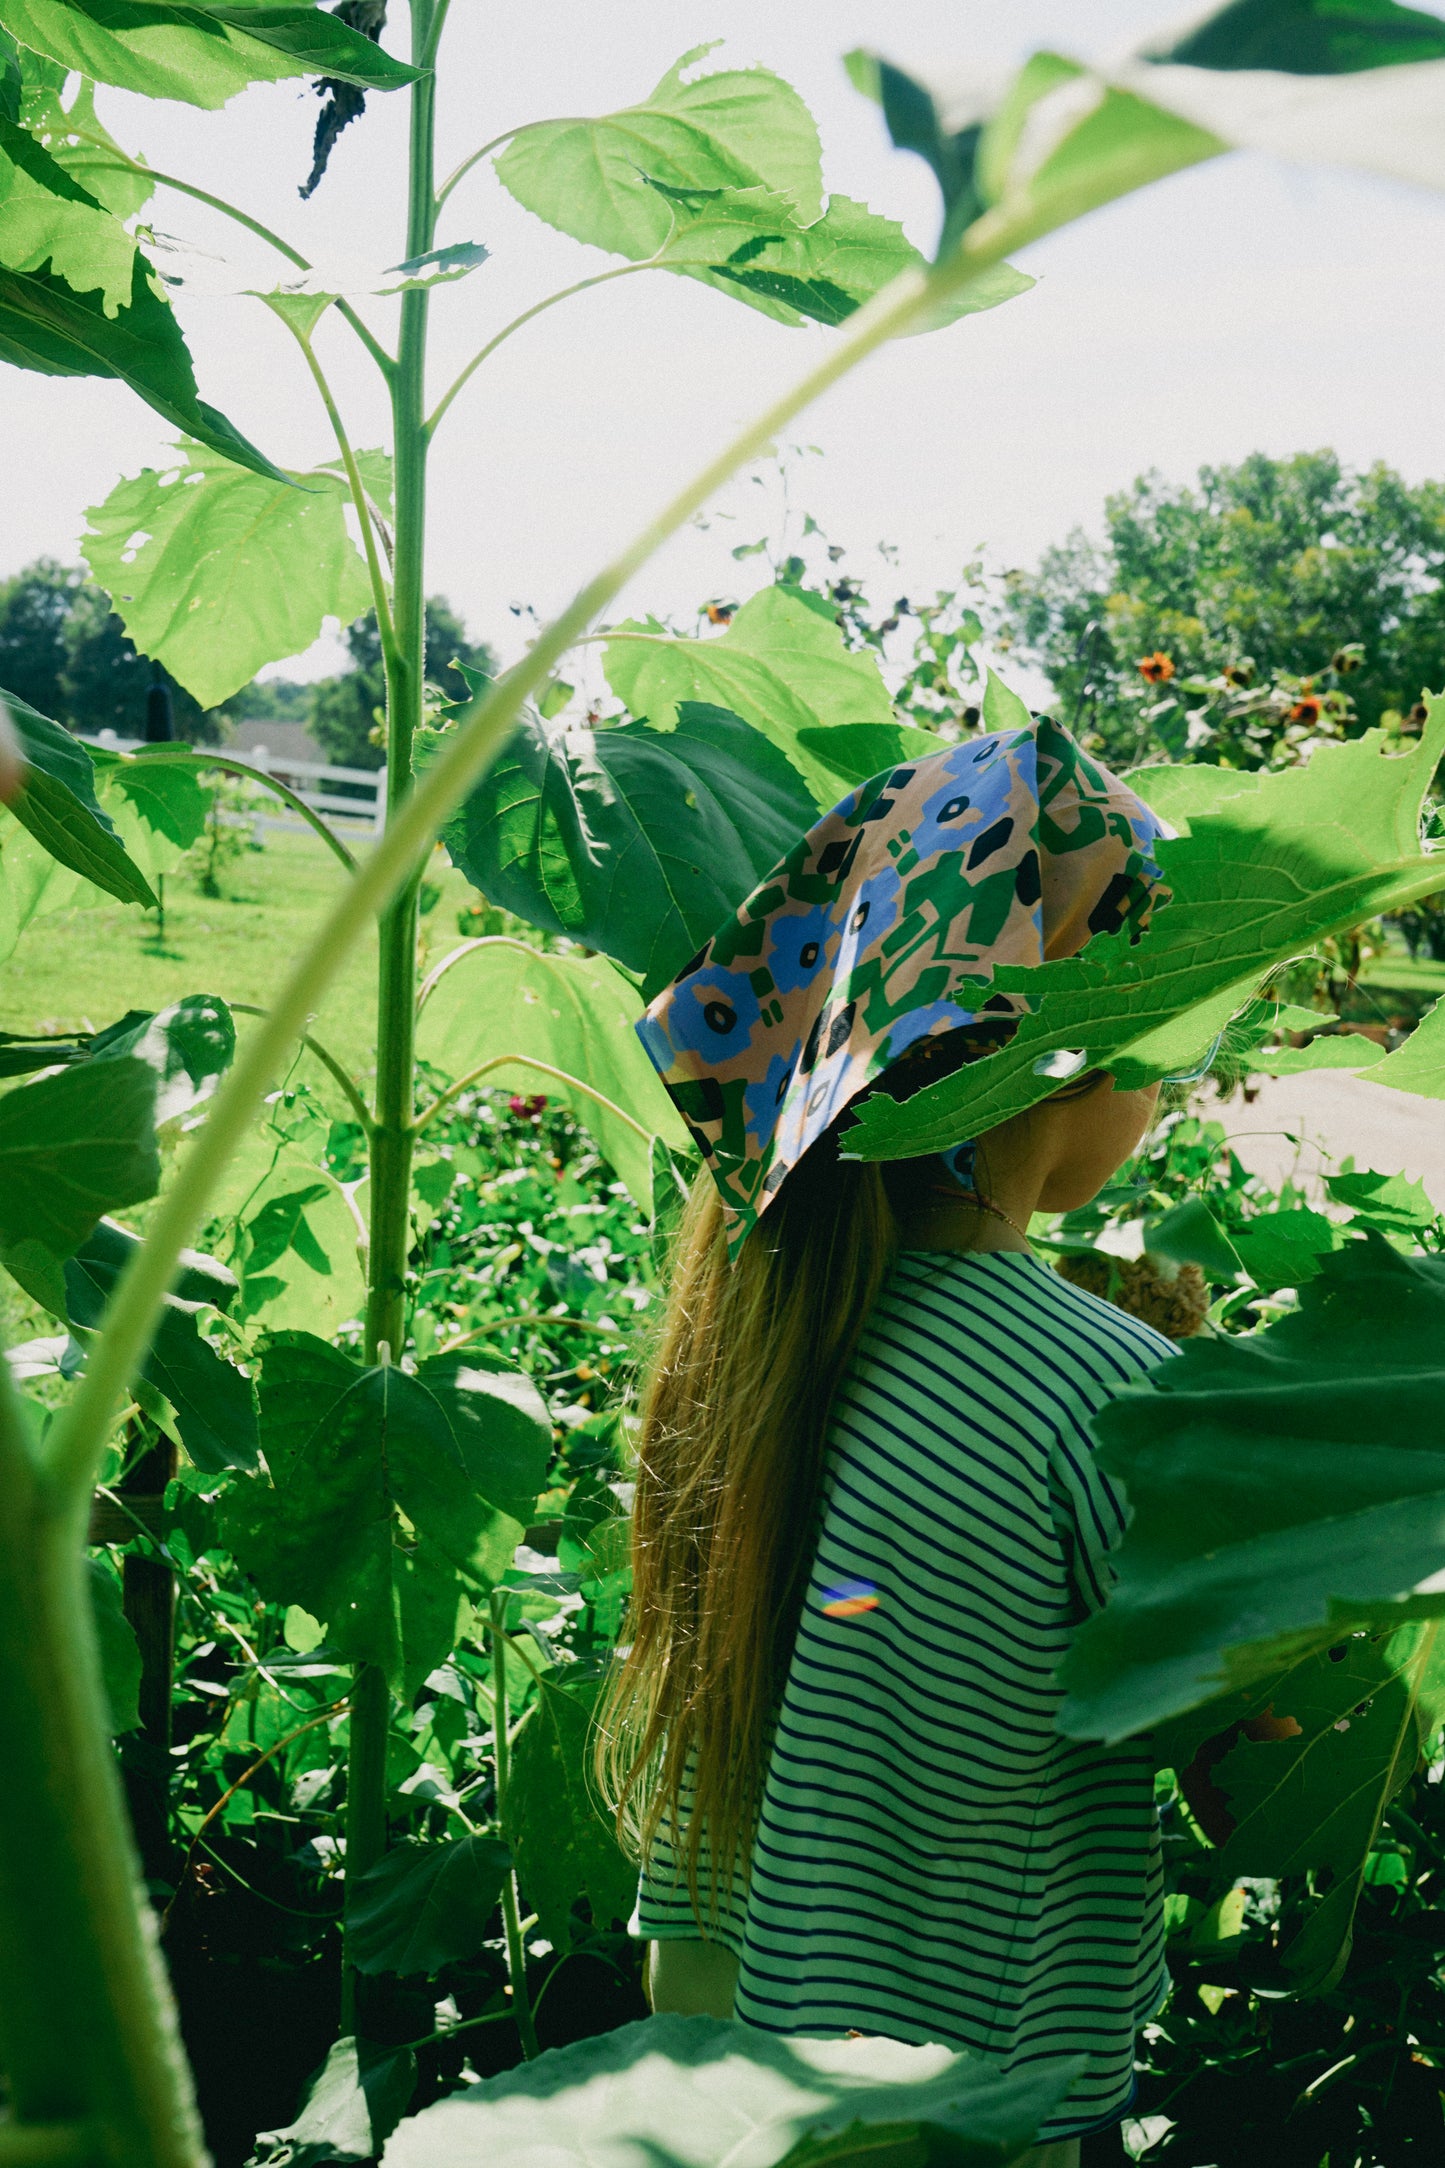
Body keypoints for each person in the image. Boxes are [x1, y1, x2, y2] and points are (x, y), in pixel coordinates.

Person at [598, 717, 1179, 2167]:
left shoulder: (747, 1324)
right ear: (1065, 1053)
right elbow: (1246, 1740)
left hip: (709, 2053)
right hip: (949, 2095)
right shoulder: (1109, 1394)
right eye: (1165, 1027)